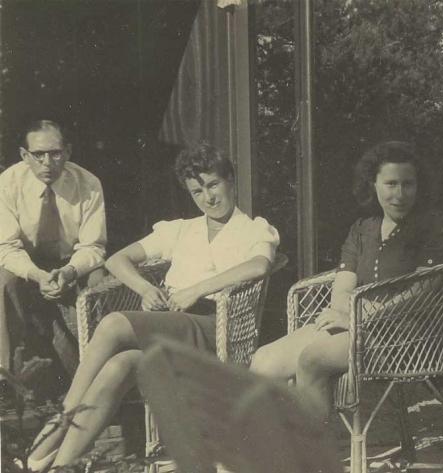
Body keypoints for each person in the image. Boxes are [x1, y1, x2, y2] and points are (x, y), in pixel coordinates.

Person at [25, 143, 280, 469]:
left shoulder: (253, 228)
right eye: (197, 191)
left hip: (213, 329)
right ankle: (55, 466)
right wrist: (145, 288)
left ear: (231, 180)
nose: (208, 198)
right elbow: (118, 260)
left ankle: (58, 421)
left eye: (213, 185)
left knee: (115, 324)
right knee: (120, 366)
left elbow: (258, 266)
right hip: (171, 324)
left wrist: (194, 290)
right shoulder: (181, 230)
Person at [250, 141, 443, 420]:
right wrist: (340, 314)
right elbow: (344, 284)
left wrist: (361, 318)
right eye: (391, 184)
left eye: (408, 184)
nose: (400, 194)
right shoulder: (362, 229)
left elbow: (423, 289)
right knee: (264, 361)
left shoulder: (433, 225)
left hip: (407, 337)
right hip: (357, 328)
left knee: (313, 359)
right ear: (374, 184)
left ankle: (314, 458)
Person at [0, 120, 107, 395]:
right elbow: (6, 247)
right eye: (38, 155)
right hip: (25, 263)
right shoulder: (7, 184)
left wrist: (69, 272)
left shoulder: (89, 184)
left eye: (55, 153)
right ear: (25, 156)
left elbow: (93, 246)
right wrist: (37, 275)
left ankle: (97, 383)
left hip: (71, 262)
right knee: (3, 282)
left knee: (99, 282)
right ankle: (14, 384)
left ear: (68, 152)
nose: (47, 162)